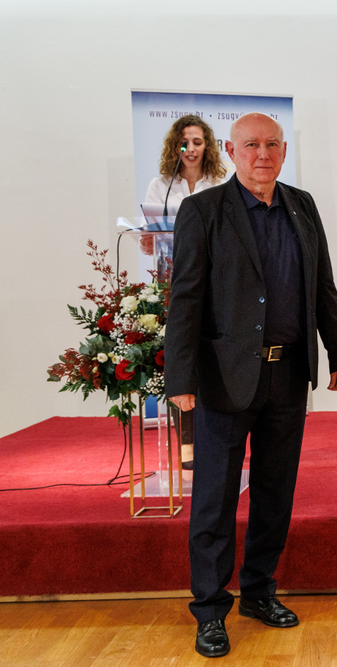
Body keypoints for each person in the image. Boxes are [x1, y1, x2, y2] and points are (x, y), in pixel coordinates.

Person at [166, 113, 337, 658]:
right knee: (215, 499)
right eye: (250, 145)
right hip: (224, 377)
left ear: (285, 150)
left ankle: (259, 592)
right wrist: (179, 377)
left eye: (272, 144)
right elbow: (186, 297)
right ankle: (209, 610)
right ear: (231, 150)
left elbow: (322, 284)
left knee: (275, 493)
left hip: (289, 374)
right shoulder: (203, 210)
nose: (262, 154)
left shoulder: (302, 205)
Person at [144, 115, 227, 470]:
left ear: (207, 145)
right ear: (174, 146)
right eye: (184, 143)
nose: (190, 149)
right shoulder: (160, 186)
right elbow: (149, 239)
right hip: (173, 279)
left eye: (197, 142)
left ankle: (215, 439)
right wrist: (148, 238)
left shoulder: (220, 183)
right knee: (181, 359)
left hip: (217, 282)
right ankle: (187, 446)